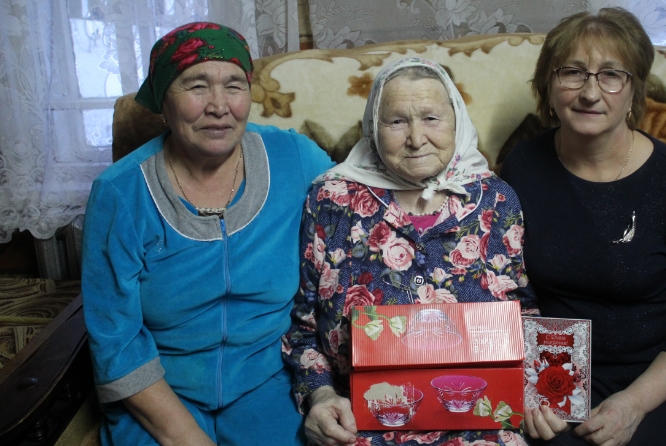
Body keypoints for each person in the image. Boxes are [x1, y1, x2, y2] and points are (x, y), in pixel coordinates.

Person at [81, 22, 334, 445]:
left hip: (268, 382)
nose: (219, 106)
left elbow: (369, 197)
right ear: (164, 100)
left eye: (234, 86)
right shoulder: (119, 194)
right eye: (197, 86)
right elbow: (116, 341)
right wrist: (187, 438)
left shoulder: (295, 158)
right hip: (160, 393)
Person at [501, 8, 666, 446]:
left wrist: (634, 404)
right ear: (548, 85)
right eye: (572, 73)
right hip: (559, 373)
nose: (590, 93)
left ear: (633, 90)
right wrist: (531, 386)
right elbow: (503, 290)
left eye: (611, 75)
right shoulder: (521, 167)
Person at [283, 57, 537, 446]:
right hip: (361, 423)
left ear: (457, 121)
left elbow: (524, 315)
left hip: (481, 423)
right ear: (373, 127)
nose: (416, 138)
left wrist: (538, 395)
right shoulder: (331, 200)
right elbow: (303, 328)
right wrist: (320, 396)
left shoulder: (497, 199)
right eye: (397, 121)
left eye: (431, 118)